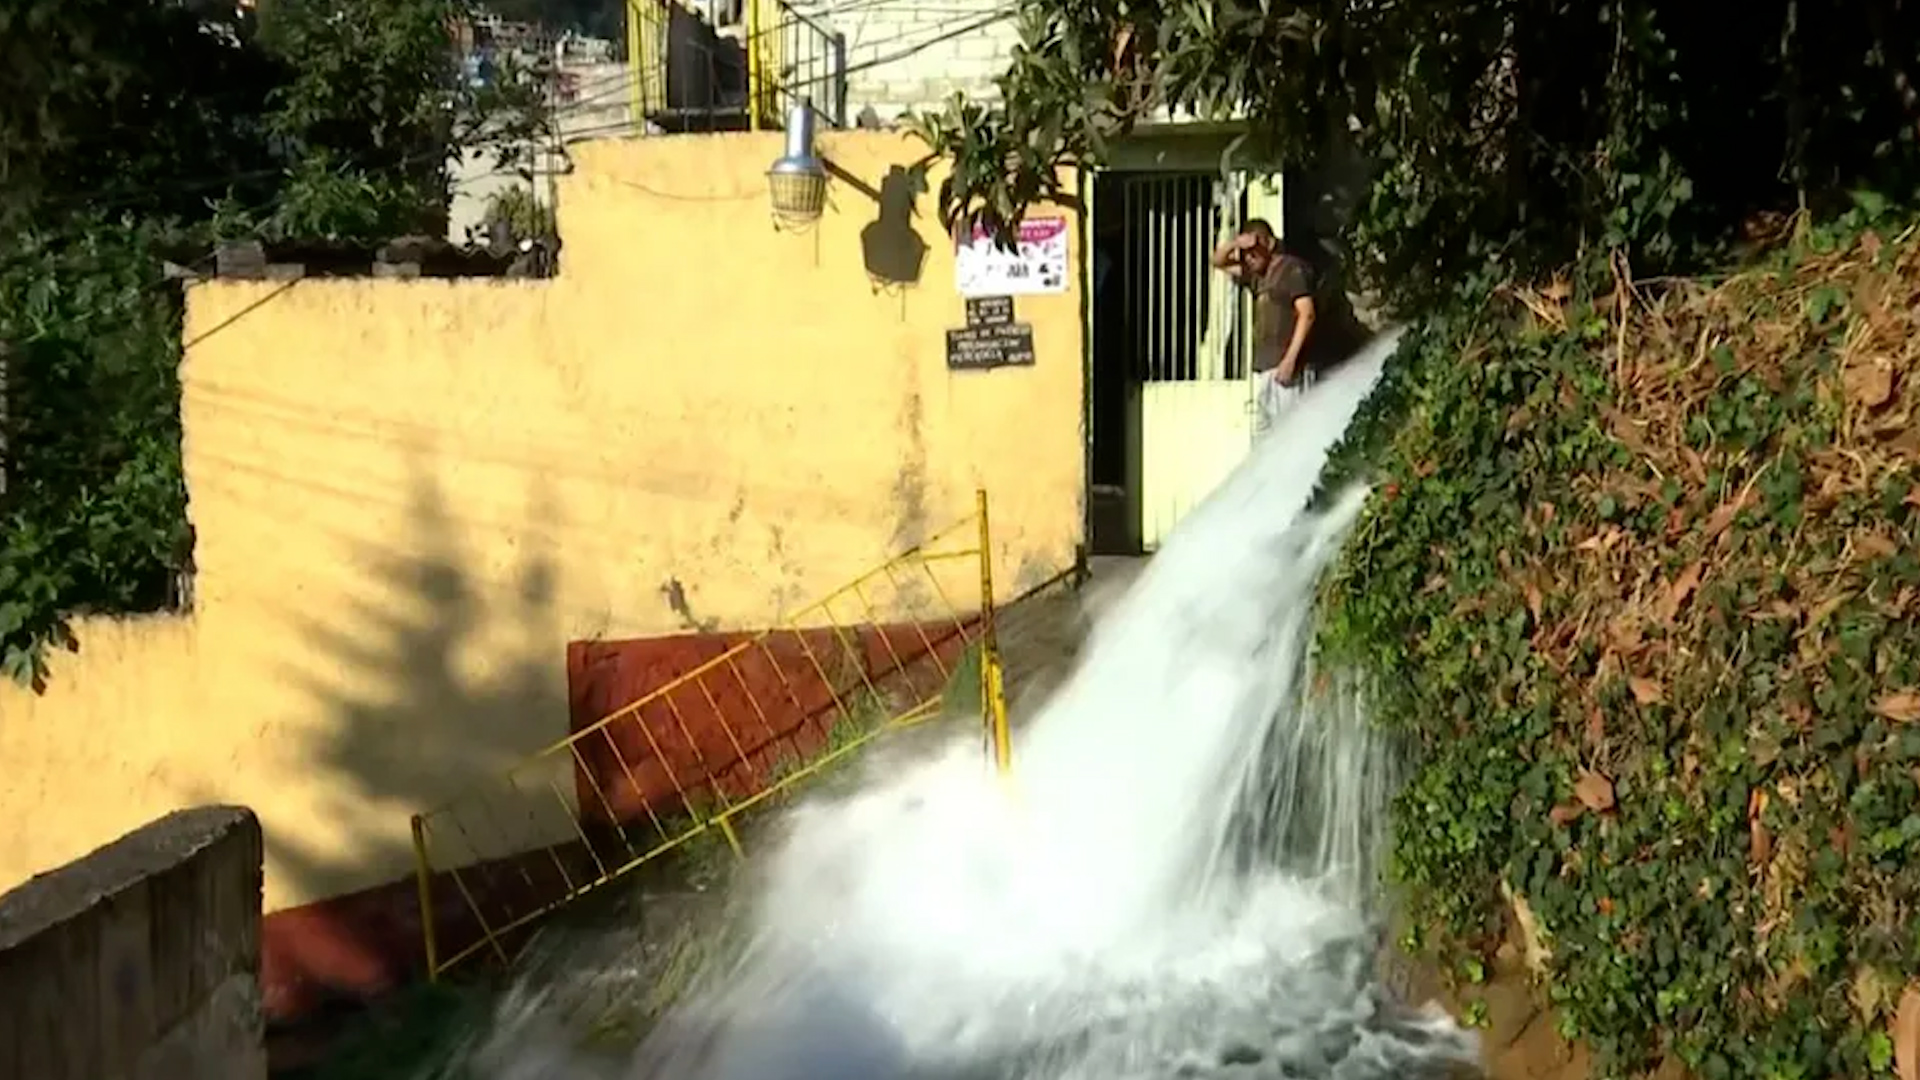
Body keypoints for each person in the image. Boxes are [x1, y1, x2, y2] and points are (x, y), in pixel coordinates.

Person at [1209, 219, 1318, 438]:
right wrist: (1235, 243)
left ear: (1269, 244)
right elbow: (1217, 261)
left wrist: (1290, 359)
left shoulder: (1291, 269)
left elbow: (1307, 314)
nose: (1248, 258)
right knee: (1265, 439)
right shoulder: (1257, 276)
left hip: (1288, 370)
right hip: (1266, 370)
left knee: (1290, 437)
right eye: (1244, 254)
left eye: (1253, 252)